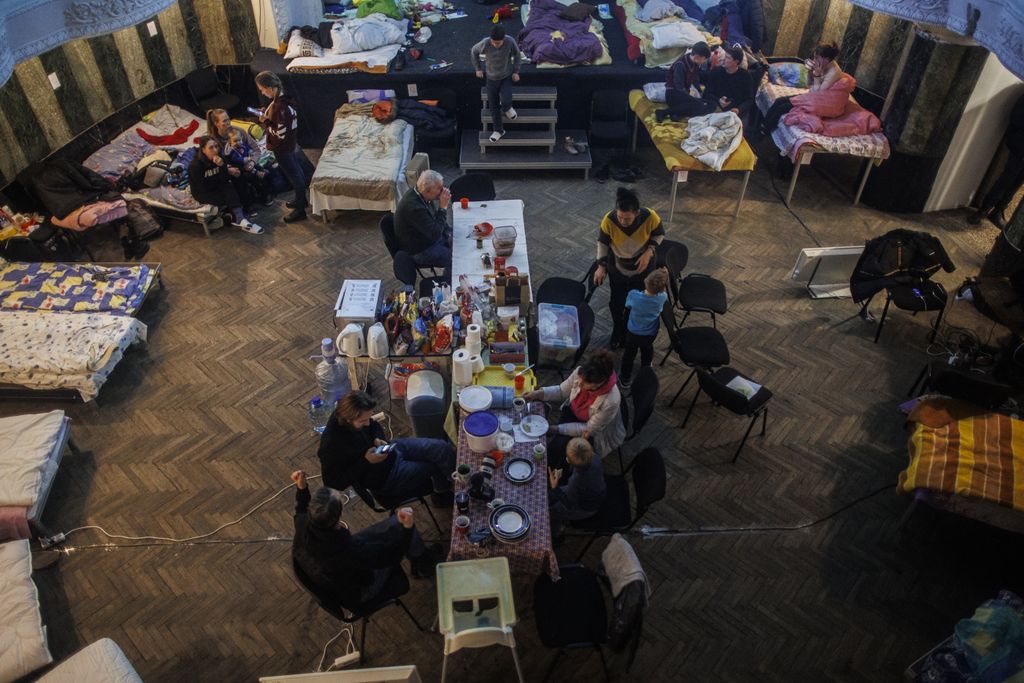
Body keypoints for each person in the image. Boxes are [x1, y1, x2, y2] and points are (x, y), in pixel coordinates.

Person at [291, 470, 440, 607]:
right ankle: (422, 565)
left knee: (395, 524)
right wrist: (407, 529)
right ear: (337, 517)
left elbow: (300, 509)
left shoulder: (303, 523)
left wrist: (302, 488)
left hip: (336, 572)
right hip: (362, 589)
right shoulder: (349, 550)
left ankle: (418, 556)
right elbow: (392, 557)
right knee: (401, 529)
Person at [318, 390, 455, 506]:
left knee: (442, 448)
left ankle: (450, 486)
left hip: (391, 450)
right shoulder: (331, 446)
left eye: (369, 417)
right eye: (362, 421)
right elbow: (332, 483)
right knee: (436, 466)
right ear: (348, 419)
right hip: (385, 478)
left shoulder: (354, 414)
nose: (367, 424)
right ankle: (442, 495)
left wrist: (378, 438)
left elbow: (373, 426)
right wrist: (366, 461)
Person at [523, 349, 625, 468]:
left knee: (559, 449)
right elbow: (561, 391)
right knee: (555, 445)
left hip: (591, 430)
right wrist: (538, 394)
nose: (579, 384)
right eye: (580, 379)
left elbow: (589, 429)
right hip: (573, 412)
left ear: (599, 383)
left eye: (585, 383)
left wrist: (554, 429)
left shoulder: (611, 401)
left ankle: (555, 477)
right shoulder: (580, 372)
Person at [593, 187, 665, 348]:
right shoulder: (609, 220)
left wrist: (649, 251)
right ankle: (617, 330)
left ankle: (627, 329)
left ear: (637, 213)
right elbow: (602, 242)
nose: (622, 222)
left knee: (635, 303)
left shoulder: (650, 217)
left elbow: (659, 234)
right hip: (618, 268)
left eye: (627, 219)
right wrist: (601, 266)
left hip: (642, 269)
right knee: (616, 302)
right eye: (620, 217)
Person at [254, 70, 308, 223]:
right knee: (296, 172)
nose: (263, 93)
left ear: (270, 87)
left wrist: (265, 121)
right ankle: (300, 199)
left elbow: (280, 133)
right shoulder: (284, 99)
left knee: (295, 176)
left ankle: (300, 210)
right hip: (290, 144)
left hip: (283, 147)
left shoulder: (280, 107)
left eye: (262, 89)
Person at [759, 42, 843, 137]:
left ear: (826, 59)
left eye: (816, 58)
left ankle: (764, 132)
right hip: (813, 97)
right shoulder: (822, 65)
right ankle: (763, 126)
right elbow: (808, 85)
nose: (814, 60)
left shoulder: (833, 73)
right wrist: (810, 72)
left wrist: (817, 75)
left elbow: (818, 95)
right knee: (779, 101)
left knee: (782, 108)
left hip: (822, 104)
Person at [188, 135, 264, 234]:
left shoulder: (219, 158)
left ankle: (239, 218)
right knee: (227, 193)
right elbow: (203, 187)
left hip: (216, 186)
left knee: (232, 185)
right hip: (202, 192)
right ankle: (237, 217)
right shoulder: (196, 165)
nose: (215, 150)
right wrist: (219, 179)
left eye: (216, 146)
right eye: (211, 148)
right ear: (203, 150)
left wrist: (222, 166)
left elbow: (225, 178)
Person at [969, 93, 1024, 229]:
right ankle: (983, 210)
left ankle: (998, 210)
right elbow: (1017, 117)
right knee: (1006, 179)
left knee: (1017, 183)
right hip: (1021, 144)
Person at [619, 268, 669, 392]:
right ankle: (646, 368)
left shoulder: (633, 295)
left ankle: (625, 379)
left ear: (646, 280)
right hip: (650, 333)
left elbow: (627, 305)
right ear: (663, 288)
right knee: (647, 349)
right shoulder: (663, 297)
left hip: (633, 332)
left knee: (629, 355)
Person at [394, 170, 452, 273]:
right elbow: (435, 233)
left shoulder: (422, 194)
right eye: (439, 189)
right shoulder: (414, 208)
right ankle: (448, 282)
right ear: (427, 191)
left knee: (462, 239)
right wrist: (443, 207)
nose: (442, 191)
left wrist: (449, 233)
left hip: (428, 236)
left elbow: (435, 218)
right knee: (456, 258)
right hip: (421, 249)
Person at [472, 25, 521, 143]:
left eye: (498, 43)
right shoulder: (485, 43)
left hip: (506, 76)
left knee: (505, 100)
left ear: (503, 39)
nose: (495, 45)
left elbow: (517, 55)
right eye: (494, 43)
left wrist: (515, 71)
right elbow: (474, 51)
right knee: (493, 106)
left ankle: (507, 107)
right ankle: (499, 130)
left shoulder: (510, 41)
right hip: (491, 78)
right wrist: (478, 69)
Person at [548, 437, 606, 534]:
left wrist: (555, 487)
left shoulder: (576, 480)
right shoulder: (595, 457)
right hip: (597, 491)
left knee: (551, 511)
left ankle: (556, 533)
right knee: (550, 495)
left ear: (568, 460)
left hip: (584, 508)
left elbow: (569, 504)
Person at [656, 42, 713, 122]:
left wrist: (700, 93)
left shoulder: (695, 63)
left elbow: (695, 79)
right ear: (697, 57)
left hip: (684, 94)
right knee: (698, 105)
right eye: (704, 59)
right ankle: (664, 112)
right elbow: (679, 87)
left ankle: (677, 114)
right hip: (674, 94)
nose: (705, 61)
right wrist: (692, 99)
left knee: (711, 105)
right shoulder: (681, 64)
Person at [701, 45, 754, 121]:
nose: (723, 59)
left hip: (735, 111)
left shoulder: (745, 76)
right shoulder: (716, 72)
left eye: (728, 58)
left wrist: (738, 109)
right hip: (716, 108)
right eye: (725, 56)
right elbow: (706, 94)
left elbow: (749, 100)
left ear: (736, 62)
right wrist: (718, 100)